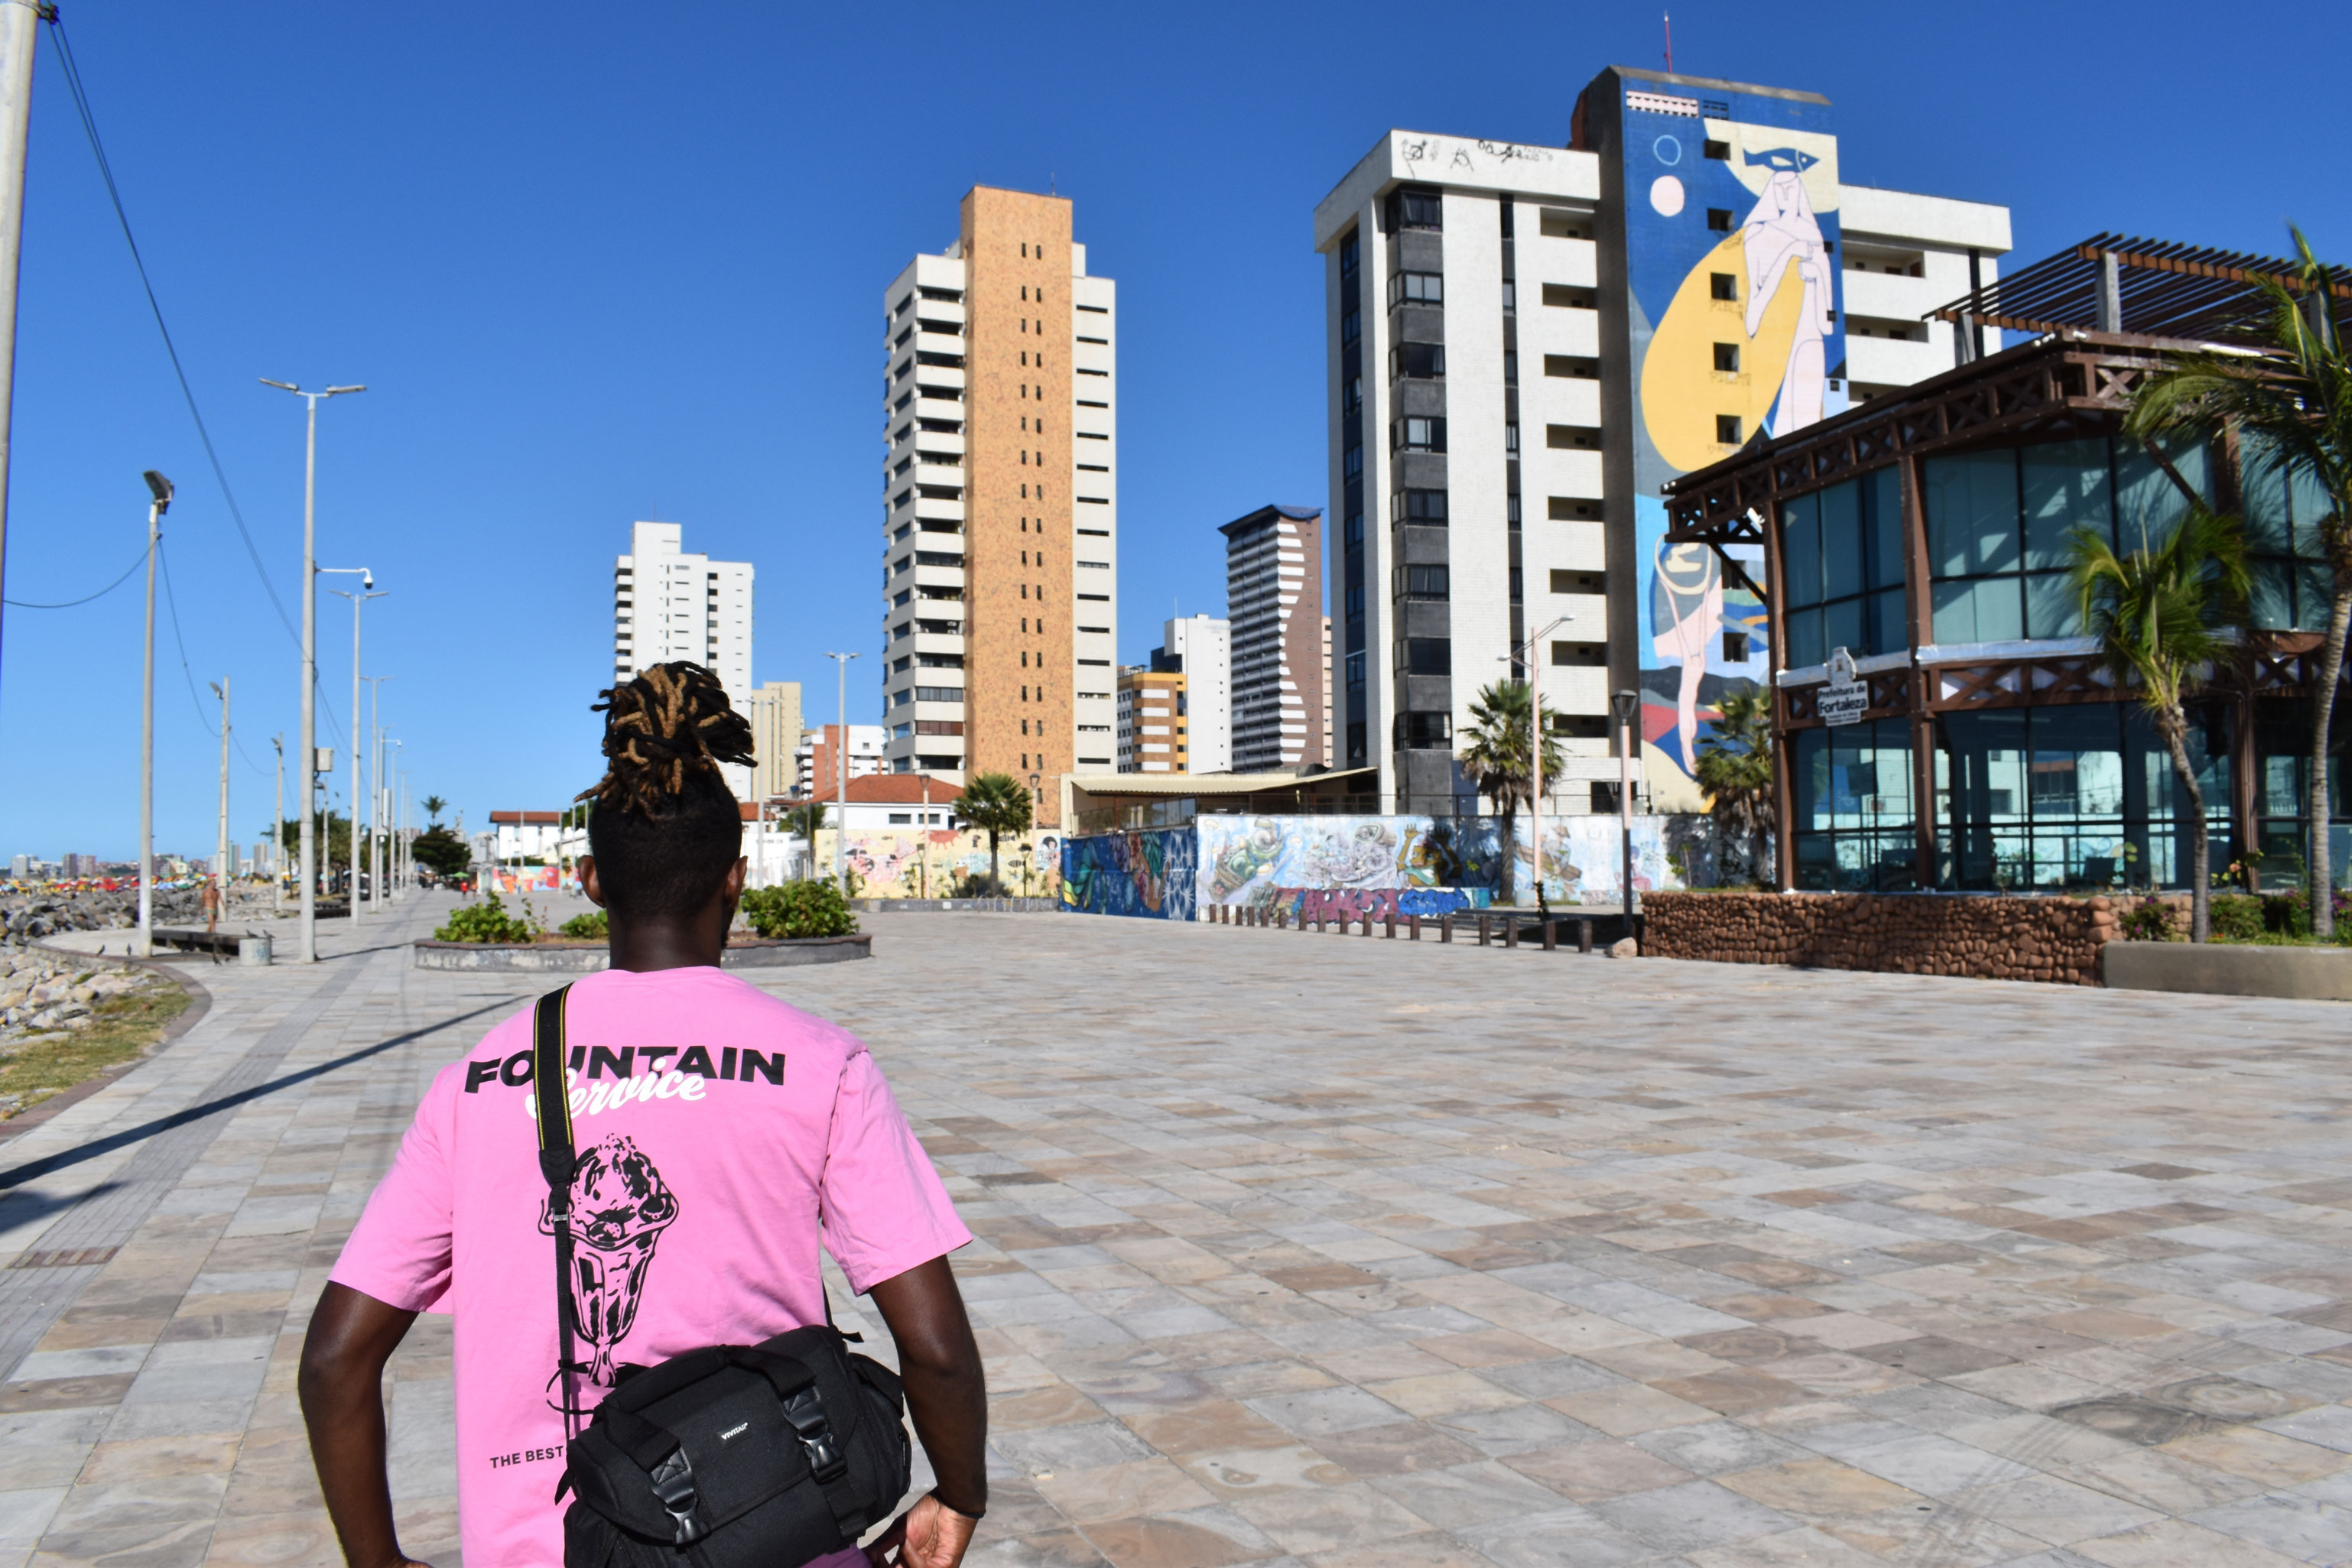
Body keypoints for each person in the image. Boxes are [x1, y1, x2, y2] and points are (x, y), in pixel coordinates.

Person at [300, 662, 986, 1568]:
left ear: (588, 878)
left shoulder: (475, 1081)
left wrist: (376, 1561)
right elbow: (931, 1345)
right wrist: (960, 1487)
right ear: (735, 879)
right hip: (770, 1536)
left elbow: (335, 1358)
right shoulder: (822, 1065)